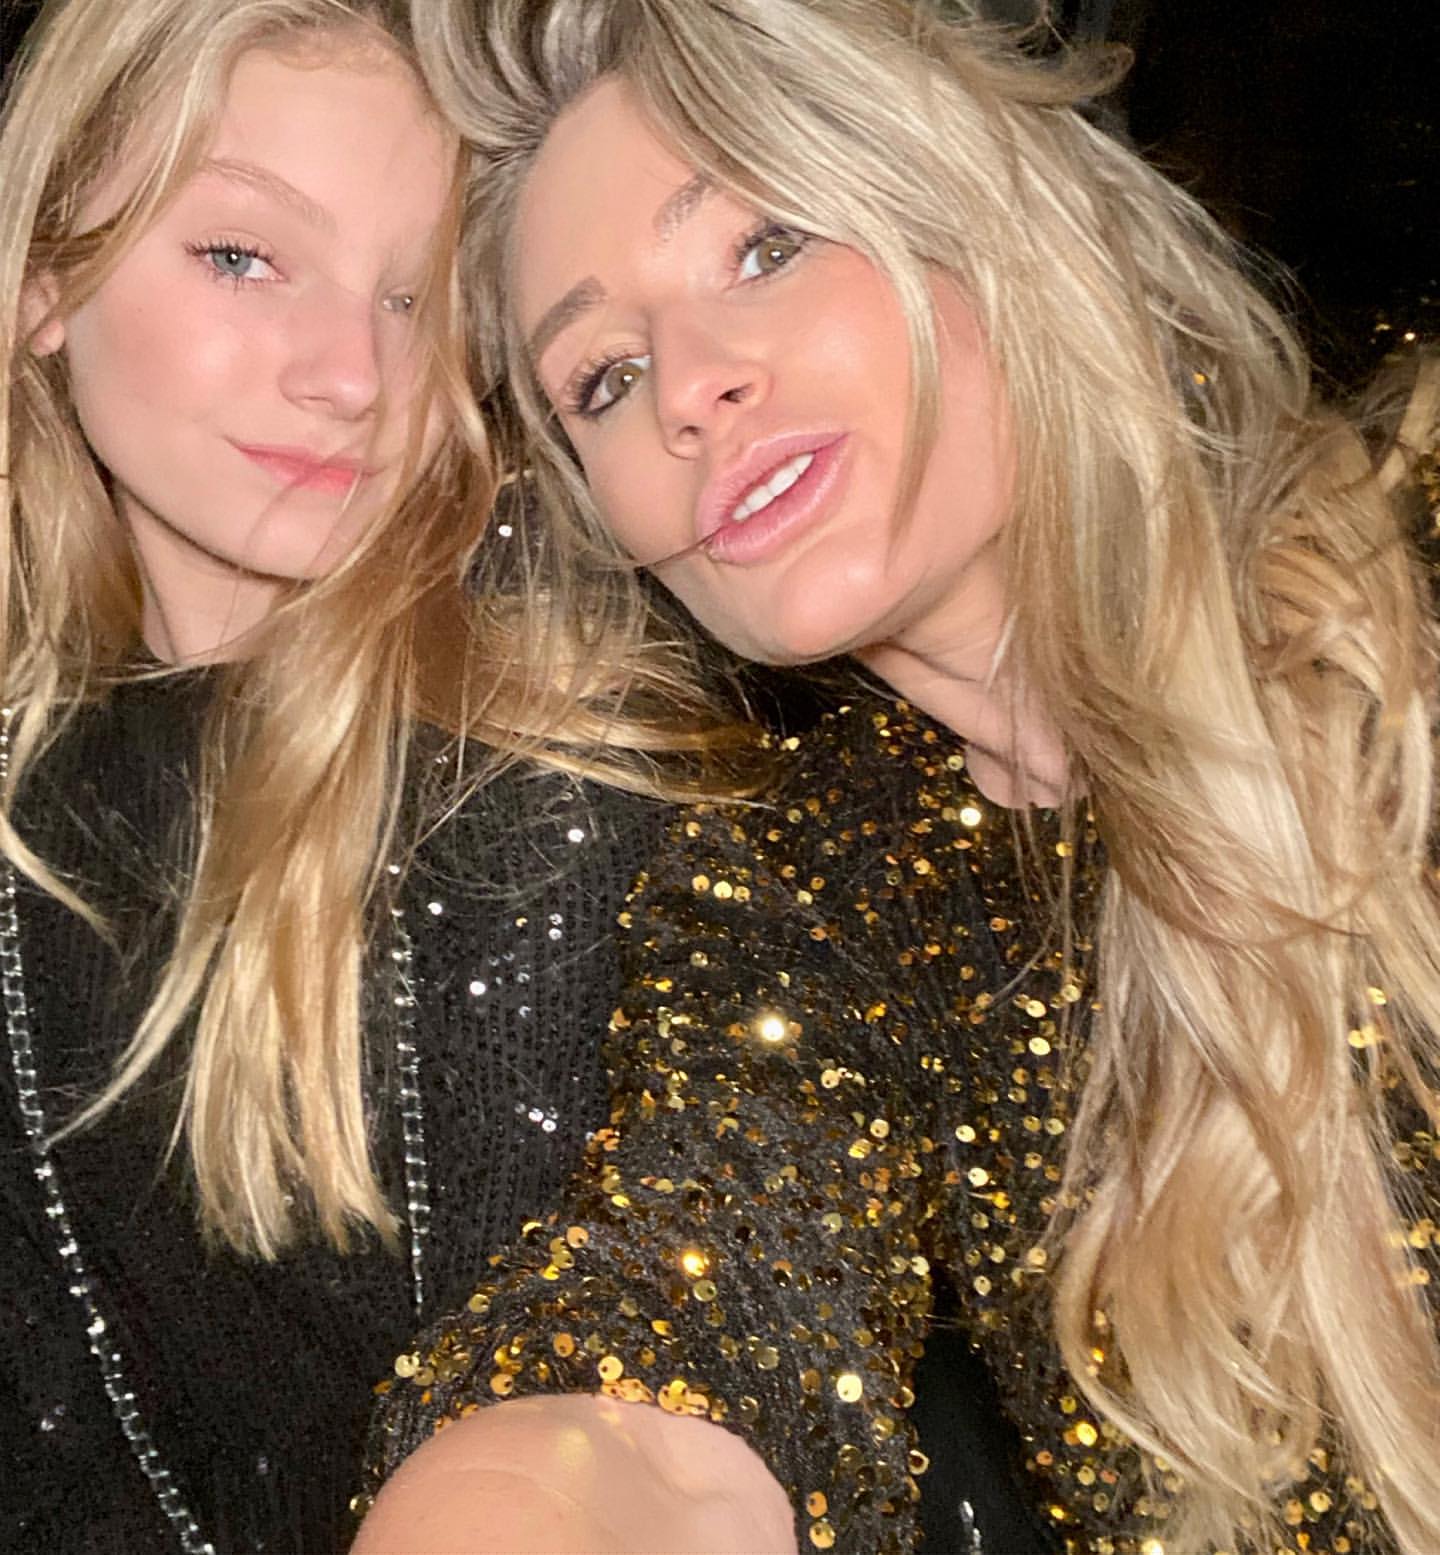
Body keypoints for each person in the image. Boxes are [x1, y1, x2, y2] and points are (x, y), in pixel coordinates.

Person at [359, 1, 1440, 1552]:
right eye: (601, 376)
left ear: (972, 209)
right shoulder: (814, 902)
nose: (686, 388)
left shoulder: (1412, 563)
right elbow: (683, 1320)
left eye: (764, 245)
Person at [0, 0, 741, 1547]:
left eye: (415, 295)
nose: (352, 372)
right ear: (47, 277)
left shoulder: (548, 780)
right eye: (242, 256)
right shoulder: (40, 789)